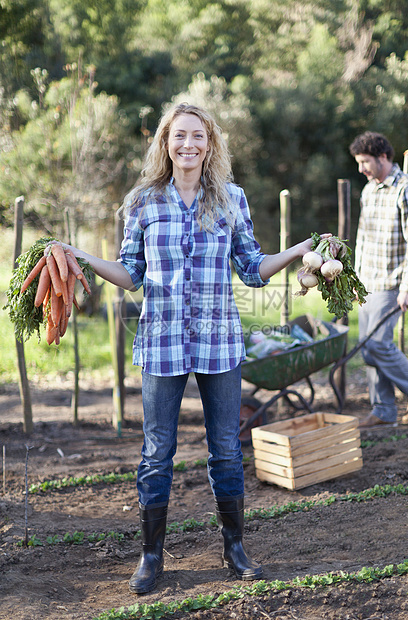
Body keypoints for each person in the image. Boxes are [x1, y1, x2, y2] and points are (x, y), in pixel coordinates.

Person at [64, 102, 327, 594]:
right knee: (156, 452)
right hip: (162, 341)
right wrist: (83, 257)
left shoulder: (231, 199)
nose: (188, 145)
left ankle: (234, 548)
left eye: (197, 137)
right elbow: (131, 274)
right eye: (179, 136)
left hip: (218, 342)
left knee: (226, 450)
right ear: (165, 143)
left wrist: (296, 251)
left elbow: (251, 268)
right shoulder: (142, 201)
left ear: (210, 146)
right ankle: (150, 556)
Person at [349, 131, 408, 428]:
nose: (361, 169)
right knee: (367, 346)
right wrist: (355, 278)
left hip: (392, 282)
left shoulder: (406, 189)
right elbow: (363, 239)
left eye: (365, 162)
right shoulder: (369, 190)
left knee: (378, 345)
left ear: (383, 157)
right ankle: (384, 410)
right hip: (367, 281)